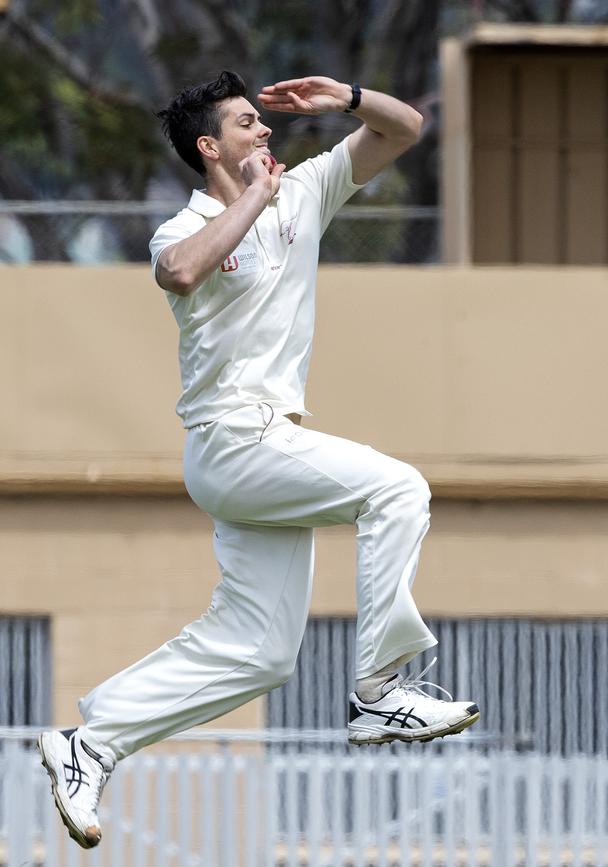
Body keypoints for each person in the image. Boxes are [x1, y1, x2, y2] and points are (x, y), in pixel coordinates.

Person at [38, 71, 479, 849]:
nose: (266, 132)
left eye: (263, 122)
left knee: (262, 651)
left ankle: (93, 741)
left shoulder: (305, 190)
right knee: (398, 489)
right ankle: (379, 691)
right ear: (211, 147)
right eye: (248, 124)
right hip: (232, 441)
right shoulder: (185, 226)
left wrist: (344, 97)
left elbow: (405, 127)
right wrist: (253, 198)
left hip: (269, 449)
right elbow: (179, 272)